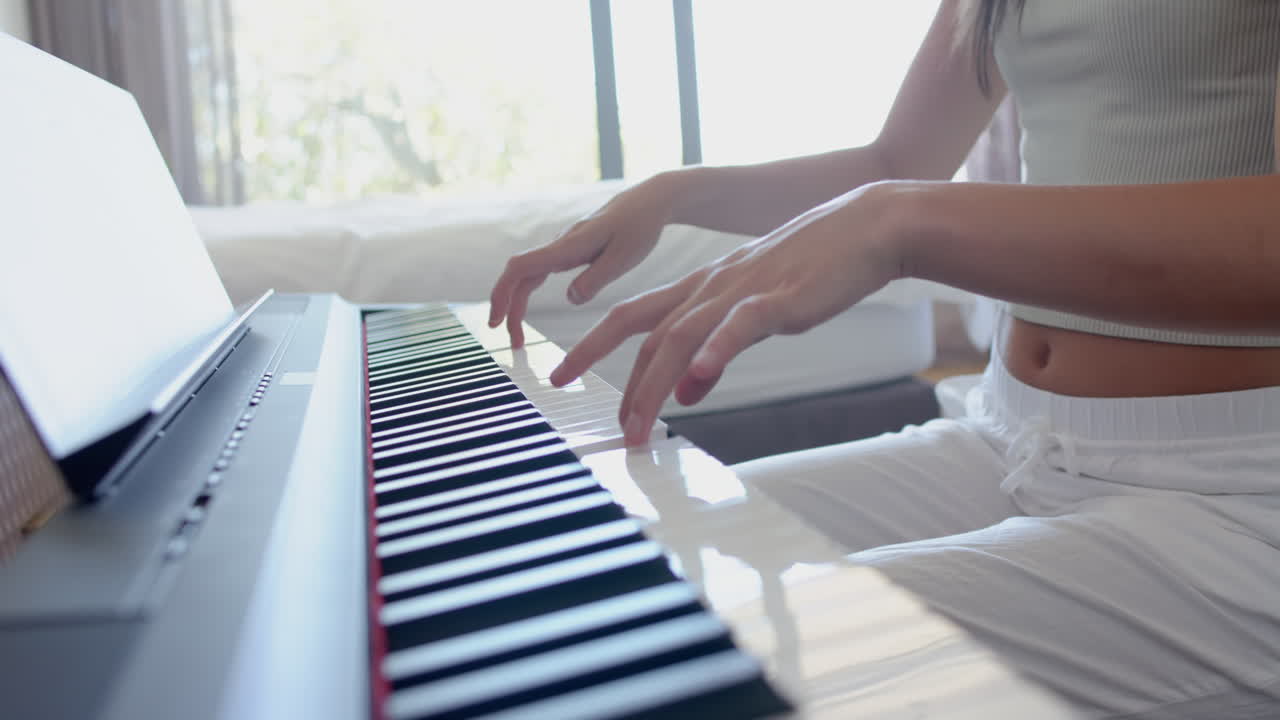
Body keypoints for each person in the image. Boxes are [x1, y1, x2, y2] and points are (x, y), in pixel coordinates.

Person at [488, 1, 1280, 717]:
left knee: (725, 661)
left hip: (1233, 488)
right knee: (633, 573)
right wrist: (675, 193)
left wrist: (901, 224)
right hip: (1012, 435)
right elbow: (894, 163)